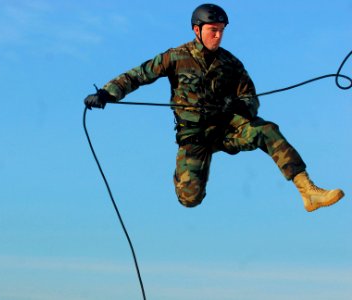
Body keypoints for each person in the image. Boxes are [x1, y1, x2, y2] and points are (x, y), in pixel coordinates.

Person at [84, 3, 345, 212]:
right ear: (197, 30)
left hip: (225, 129)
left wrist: (242, 107)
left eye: (221, 30)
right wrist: (107, 93)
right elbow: (137, 75)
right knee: (190, 199)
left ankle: (307, 190)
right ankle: (183, 175)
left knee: (266, 129)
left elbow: (251, 97)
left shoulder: (231, 63)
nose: (218, 35)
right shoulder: (175, 57)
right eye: (213, 30)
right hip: (194, 134)